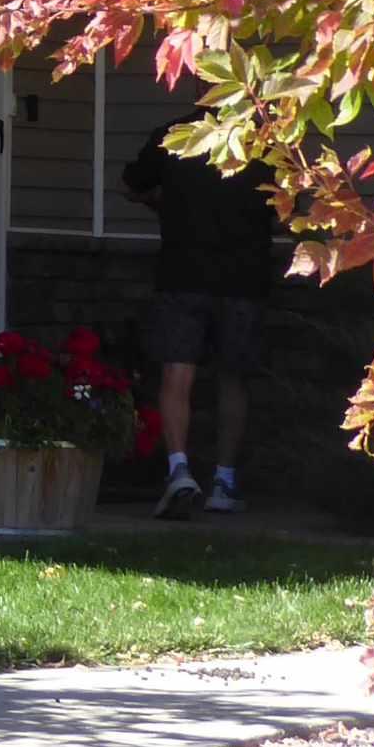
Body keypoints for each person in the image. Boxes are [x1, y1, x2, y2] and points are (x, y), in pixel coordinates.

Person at [122, 131, 279, 518]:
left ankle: (179, 472)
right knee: (233, 378)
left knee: (177, 374)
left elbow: (132, 186)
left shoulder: (174, 137)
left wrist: (163, 205)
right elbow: (284, 204)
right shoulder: (265, 142)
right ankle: (224, 482)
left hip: (183, 275)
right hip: (243, 279)